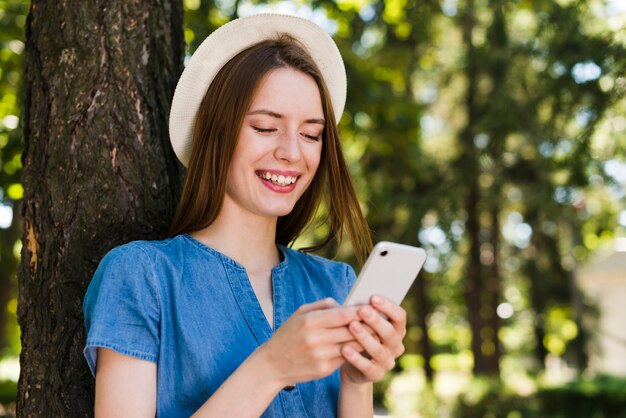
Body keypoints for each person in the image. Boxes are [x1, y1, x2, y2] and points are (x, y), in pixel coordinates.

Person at [83, 14, 407, 417]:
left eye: (311, 134)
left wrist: (357, 382)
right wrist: (271, 366)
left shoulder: (335, 285)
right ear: (216, 132)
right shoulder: (141, 275)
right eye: (266, 127)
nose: (292, 152)